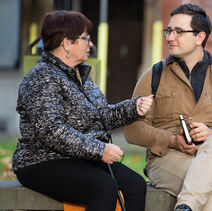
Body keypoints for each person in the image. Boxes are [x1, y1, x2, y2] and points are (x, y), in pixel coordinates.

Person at [12, 10, 153, 211]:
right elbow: (52, 131)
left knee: (136, 185)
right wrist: (100, 150)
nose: (91, 43)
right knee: (104, 187)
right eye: (85, 38)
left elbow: (102, 117)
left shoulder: (81, 74)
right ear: (67, 43)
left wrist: (134, 107)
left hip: (81, 157)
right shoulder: (42, 77)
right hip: (41, 160)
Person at [124, 3, 212, 211]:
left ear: (200, 37)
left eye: (179, 32)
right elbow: (132, 130)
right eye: (169, 30)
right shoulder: (153, 75)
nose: (169, 37)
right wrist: (172, 140)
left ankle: (186, 204)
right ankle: (186, 206)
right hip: (167, 160)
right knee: (208, 187)